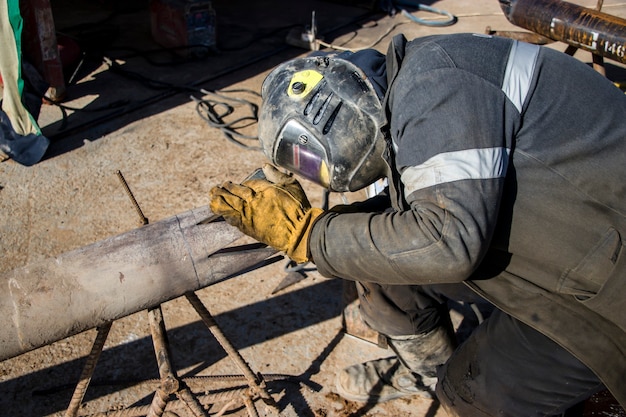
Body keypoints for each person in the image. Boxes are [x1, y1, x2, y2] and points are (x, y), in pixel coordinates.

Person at [209, 32, 625, 416]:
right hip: (558, 233)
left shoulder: (436, 86)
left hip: (604, 291)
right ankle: (433, 374)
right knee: (377, 265)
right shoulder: (405, 91)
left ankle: (460, 386)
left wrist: (309, 236)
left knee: (474, 397)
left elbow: (447, 243)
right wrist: (330, 232)